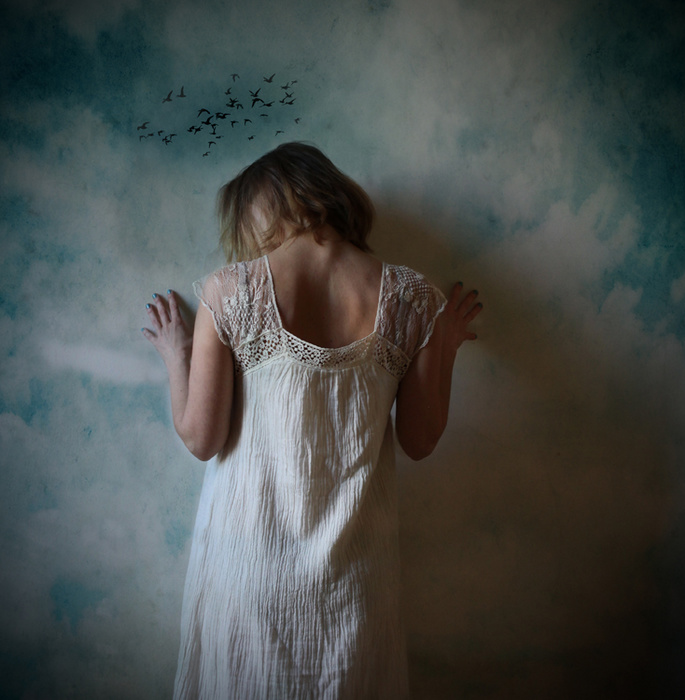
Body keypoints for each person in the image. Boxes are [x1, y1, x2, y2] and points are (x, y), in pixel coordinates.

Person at [142, 142, 482, 699]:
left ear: (267, 208)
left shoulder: (230, 292)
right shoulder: (413, 300)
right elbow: (419, 441)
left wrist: (178, 355)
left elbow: (202, 438)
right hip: (355, 588)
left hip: (249, 571)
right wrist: (442, 345)